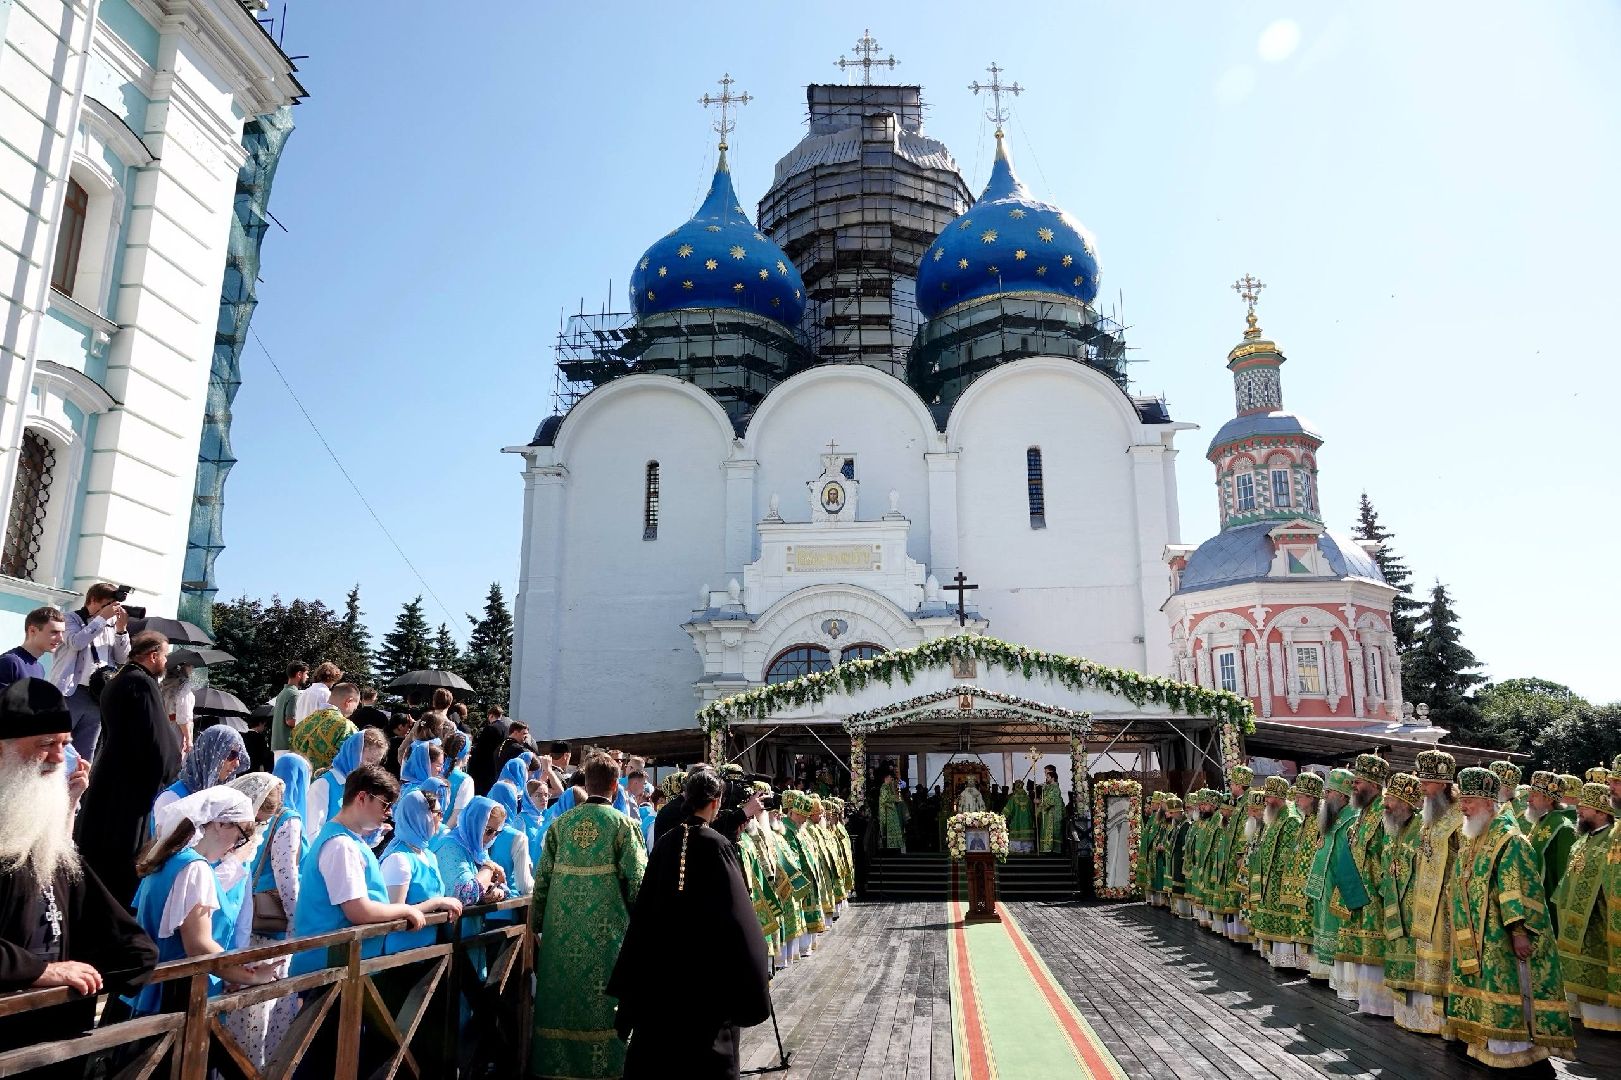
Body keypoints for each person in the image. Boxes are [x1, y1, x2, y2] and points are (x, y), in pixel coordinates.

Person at [0, 678, 157, 1067]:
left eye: (64, 745)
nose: (57, 758)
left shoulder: (43, 832)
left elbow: (105, 922)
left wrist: (132, 958)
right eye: (45, 745)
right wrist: (39, 970)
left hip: (54, 1033)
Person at [609, 770, 771, 1079]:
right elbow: (739, 919)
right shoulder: (718, 845)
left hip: (663, 975)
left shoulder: (667, 843)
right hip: (706, 979)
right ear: (715, 804)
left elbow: (644, 914)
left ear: (686, 799)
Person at [1445, 765, 1575, 1068]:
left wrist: (1518, 932)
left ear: (1489, 804)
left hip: (1499, 934)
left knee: (1507, 988)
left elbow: (1516, 888)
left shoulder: (1509, 840)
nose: (1463, 808)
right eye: (1463, 800)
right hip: (1475, 932)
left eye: (1470, 802)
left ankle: (1513, 1049)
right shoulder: (1475, 836)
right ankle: (1486, 1043)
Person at [530, 753, 647, 1080]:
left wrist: (538, 925)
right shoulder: (625, 826)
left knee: (561, 1004)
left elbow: (542, 883)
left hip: (560, 940)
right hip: (606, 939)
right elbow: (638, 883)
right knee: (604, 1008)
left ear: (585, 783)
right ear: (615, 786)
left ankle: (556, 1068)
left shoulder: (559, 825)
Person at [289, 764, 461, 977]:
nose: (388, 813)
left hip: (343, 965)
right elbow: (359, 911)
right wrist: (407, 910)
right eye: (385, 804)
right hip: (329, 968)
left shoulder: (349, 839)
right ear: (362, 798)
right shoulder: (341, 845)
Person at [127, 788, 276, 1016]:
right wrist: (250, 975)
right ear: (221, 824)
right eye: (241, 835)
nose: (237, 844)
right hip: (177, 997)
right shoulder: (195, 868)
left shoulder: (169, 858)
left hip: (157, 990)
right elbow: (199, 946)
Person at [75, 630, 181, 909]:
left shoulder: (118, 680)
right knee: (121, 859)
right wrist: (172, 767)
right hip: (131, 785)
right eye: (166, 656)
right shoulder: (142, 684)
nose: (166, 663)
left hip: (111, 775)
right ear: (153, 655)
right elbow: (157, 739)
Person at [1552, 782, 1616, 1032]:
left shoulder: (1613, 839)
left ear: (1601, 812)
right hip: (1573, 916)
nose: (1578, 810)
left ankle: (1605, 1019)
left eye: (1584, 807)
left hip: (1599, 916)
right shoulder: (1581, 840)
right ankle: (1577, 1012)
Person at [1337, 753, 1392, 1016]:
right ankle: (1368, 1002)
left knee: (1376, 951)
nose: (1353, 786)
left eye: (1358, 781)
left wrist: (1381, 886)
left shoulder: (1385, 811)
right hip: (1358, 894)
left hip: (1376, 895)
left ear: (1374, 784)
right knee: (1362, 951)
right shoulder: (1362, 813)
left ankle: (1382, 1005)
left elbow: (1390, 853)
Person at [1304, 768, 1367, 998]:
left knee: (1337, 930)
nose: (1325, 796)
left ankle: (1341, 979)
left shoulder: (1352, 818)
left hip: (1340, 884)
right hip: (1326, 883)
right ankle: (1324, 972)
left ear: (1342, 795)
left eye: (1329, 792)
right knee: (1323, 926)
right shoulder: (1332, 816)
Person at [50, 583, 131, 761]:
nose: (111, 611)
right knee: (56, 745)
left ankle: (77, 788)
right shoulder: (70, 619)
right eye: (107, 605)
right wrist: (101, 619)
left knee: (85, 753)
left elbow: (122, 658)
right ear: (93, 600)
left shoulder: (110, 626)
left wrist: (121, 630)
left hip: (97, 696)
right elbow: (76, 642)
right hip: (71, 693)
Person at [379, 783, 448, 953]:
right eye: (438, 813)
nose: (441, 819)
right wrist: (437, 903)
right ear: (421, 816)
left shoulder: (428, 855)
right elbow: (393, 914)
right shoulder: (399, 859)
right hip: (399, 957)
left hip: (426, 951)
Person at [152, 723, 248, 832]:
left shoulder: (219, 799)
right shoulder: (172, 799)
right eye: (231, 754)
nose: (237, 764)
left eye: (239, 756)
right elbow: (165, 847)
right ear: (209, 754)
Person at [1250, 776, 1304, 967]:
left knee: (1282, 919)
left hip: (1280, 880)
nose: (1265, 800)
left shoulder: (1291, 819)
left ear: (1280, 797)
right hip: (1269, 877)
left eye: (1269, 796)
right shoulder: (1273, 816)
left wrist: (1277, 872)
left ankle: (1287, 961)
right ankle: (1275, 956)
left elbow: (1290, 853)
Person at [305, 728, 388, 841]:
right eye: (369, 760)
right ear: (353, 754)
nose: (371, 767)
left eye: (375, 763)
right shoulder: (324, 785)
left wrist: (372, 833)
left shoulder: (361, 787)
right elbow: (312, 832)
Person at [1282, 773, 1325, 975]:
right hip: (1299, 885)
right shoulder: (1306, 820)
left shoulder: (1321, 821)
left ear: (1312, 797)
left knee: (1312, 926)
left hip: (1312, 884)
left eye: (1301, 795)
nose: (1297, 799)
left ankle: (1317, 969)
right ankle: (1306, 966)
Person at [1524, 770, 1577, 925]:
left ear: (1548, 799)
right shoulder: (1541, 821)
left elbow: (1565, 873)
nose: (1528, 800)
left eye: (1533, 795)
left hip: (1550, 905)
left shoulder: (1564, 827)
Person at [291, 681, 362, 774]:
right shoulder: (346, 727)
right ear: (348, 701)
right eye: (355, 708)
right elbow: (352, 764)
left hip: (302, 781)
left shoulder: (307, 720)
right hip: (328, 784)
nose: (353, 712)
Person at [0, 606, 65, 690]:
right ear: (32, 631)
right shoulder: (10, 662)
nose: (61, 639)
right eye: (54, 632)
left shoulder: (40, 669)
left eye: (62, 633)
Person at [467, 709, 511, 795]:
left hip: (485, 768)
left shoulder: (490, 728)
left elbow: (480, 750)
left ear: (490, 715)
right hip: (499, 767)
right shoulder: (506, 729)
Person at [158, 661, 196, 754]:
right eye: (190, 666)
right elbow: (183, 717)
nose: (192, 668)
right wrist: (188, 739)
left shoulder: (163, 684)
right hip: (177, 728)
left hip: (163, 724)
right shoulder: (183, 687)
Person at [270, 661, 307, 755]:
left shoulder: (282, 693)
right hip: (288, 745)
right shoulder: (294, 694)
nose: (307, 677)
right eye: (306, 674)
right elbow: (290, 720)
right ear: (299, 674)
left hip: (278, 744)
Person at [1036, 764, 1066, 855]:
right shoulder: (1048, 787)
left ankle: (1052, 849)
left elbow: (1051, 801)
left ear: (1052, 775)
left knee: (1052, 831)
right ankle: (1047, 848)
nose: (1045, 776)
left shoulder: (1055, 787)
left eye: (1047, 774)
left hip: (1053, 814)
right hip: (1048, 813)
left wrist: (1039, 802)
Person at [878, 773, 905, 851]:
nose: (891, 779)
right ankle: (890, 847)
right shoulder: (884, 787)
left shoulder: (888, 787)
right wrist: (894, 798)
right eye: (890, 777)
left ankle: (894, 846)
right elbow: (884, 799)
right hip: (887, 811)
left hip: (891, 810)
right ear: (886, 777)